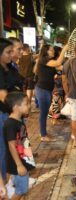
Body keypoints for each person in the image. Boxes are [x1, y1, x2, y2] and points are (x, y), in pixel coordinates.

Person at [4, 92, 36, 200]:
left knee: (20, 187)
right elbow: (11, 145)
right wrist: (19, 165)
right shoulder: (11, 124)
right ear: (16, 107)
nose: (29, 105)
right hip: (18, 162)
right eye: (26, 104)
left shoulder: (18, 121)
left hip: (22, 159)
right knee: (21, 190)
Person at [35, 44, 68, 142]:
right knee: (43, 113)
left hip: (46, 90)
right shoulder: (44, 60)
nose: (53, 51)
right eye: (51, 50)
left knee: (44, 113)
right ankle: (43, 135)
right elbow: (58, 62)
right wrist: (64, 50)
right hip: (42, 90)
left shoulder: (48, 62)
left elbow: (62, 67)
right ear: (46, 52)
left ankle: (43, 132)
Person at [0, 38, 14, 187]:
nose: (11, 55)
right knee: (2, 151)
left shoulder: (8, 68)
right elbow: (4, 97)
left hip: (8, 114)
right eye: (8, 52)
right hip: (3, 115)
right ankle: (2, 184)